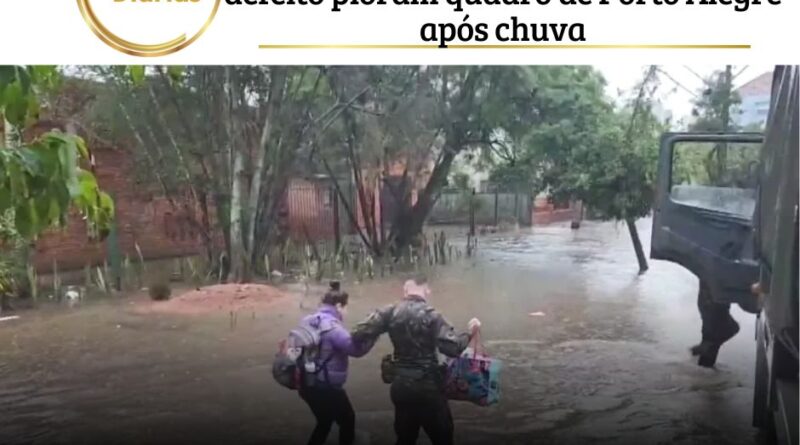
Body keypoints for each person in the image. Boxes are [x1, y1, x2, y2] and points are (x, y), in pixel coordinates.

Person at [352, 275, 481, 445]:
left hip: (401, 386)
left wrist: (378, 334)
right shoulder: (433, 316)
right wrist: (471, 332)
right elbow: (452, 348)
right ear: (426, 289)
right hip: (428, 387)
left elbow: (358, 333)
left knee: (405, 439)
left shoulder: (389, 312)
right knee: (443, 438)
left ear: (405, 289)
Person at [298, 282, 368, 445]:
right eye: (346, 307)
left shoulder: (308, 320)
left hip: (306, 383)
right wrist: (372, 336)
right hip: (326, 386)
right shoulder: (333, 328)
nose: (347, 311)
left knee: (324, 422)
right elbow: (355, 350)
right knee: (348, 420)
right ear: (338, 306)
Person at [690, 280, 740, 368]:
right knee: (727, 329)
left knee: (711, 334)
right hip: (715, 304)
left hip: (708, 302)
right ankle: (708, 346)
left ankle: (707, 347)